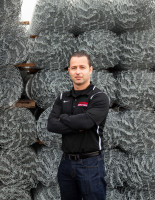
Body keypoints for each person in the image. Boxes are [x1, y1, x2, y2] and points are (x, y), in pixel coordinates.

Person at [47, 51, 110, 200]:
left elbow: (87, 122)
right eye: (74, 68)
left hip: (91, 164)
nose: (78, 72)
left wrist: (63, 117)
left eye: (82, 67)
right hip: (66, 163)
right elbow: (51, 125)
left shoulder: (99, 97)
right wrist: (78, 125)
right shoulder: (63, 97)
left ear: (90, 69)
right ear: (69, 71)